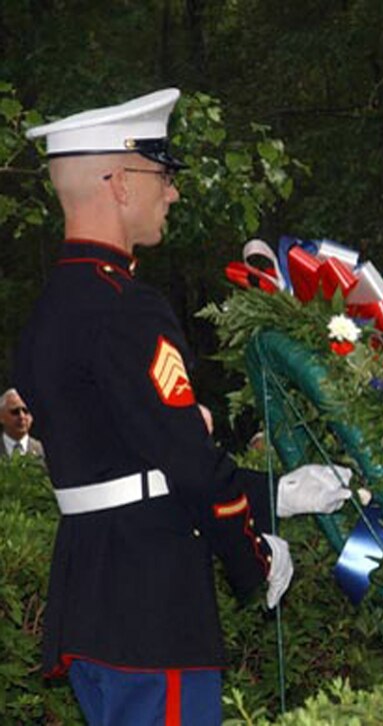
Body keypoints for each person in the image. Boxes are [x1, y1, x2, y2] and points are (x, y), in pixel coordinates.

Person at [18, 88, 352, 724]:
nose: (171, 192)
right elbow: (185, 463)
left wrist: (273, 495)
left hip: (93, 599)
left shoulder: (52, 309)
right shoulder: (127, 309)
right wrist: (254, 553)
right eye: (162, 176)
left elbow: (128, 459)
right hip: (152, 607)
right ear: (119, 182)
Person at [0, 388, 45, 460]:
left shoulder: (44, 451)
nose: (22, 416)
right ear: (1, 416)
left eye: (26, 411)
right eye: (15, 412)